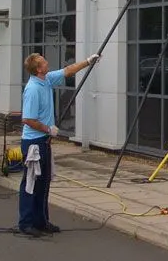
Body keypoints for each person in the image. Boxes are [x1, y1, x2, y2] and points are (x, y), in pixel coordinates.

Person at [18, 51, 100, 237]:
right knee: (31, 183)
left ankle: (41, 221)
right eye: (43, 62)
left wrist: (88, 61)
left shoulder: (46, 80)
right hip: (33, 143)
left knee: (44, 183)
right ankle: (26, 223)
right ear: (38, 69)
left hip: (43, 142)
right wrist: (48, 129)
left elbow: (67, 71)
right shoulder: (32, 89)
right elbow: (28, 119)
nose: (47, 62)